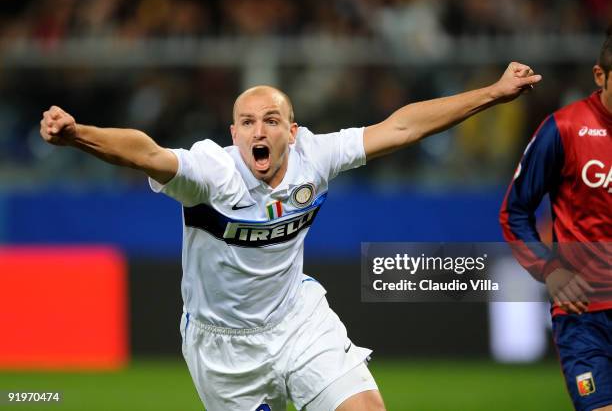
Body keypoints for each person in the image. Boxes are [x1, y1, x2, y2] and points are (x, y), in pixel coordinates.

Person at [41, 62, 540, 411]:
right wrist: (78, 134)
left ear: (293, 132)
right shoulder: (210, 173)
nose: (260, 131)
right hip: (223, 347)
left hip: (298, 321)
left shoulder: (315, 158)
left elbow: (403, 127)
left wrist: (493, 93)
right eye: (248, 122)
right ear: (234, 133)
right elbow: (146, 153)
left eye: (272, 120)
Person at [500, 33, 612, 411]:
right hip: (585, 316)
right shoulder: (564, 129)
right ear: (601, 75)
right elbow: (514, 211)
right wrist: (550, 270)